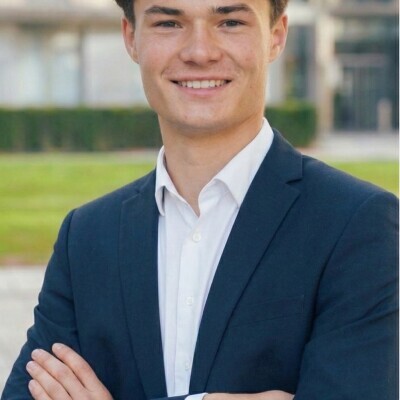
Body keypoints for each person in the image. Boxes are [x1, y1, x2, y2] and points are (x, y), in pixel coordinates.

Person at [2, 0, 398, 399]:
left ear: (276, 36)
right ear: (131, 37)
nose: (200, 52)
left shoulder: (358, 225)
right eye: (169, 23)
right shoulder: (86, 237)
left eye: (230, 22)